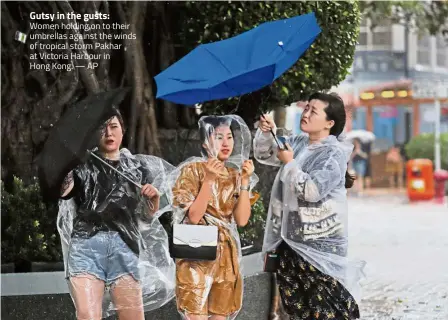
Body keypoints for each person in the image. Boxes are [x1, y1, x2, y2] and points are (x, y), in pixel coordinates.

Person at [254, 92, 365, 320]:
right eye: (306, 109)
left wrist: (290, 163)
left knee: (326, 310)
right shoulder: (298, 143)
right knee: (297, 310)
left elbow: (311, 191)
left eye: (313, 111)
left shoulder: (333, 154)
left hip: (320, 248)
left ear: (329, 123)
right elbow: (265, 154)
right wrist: (268, 133)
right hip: (290, 242)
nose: (306, 114)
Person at [58, 110, 176, 320]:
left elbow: (144, 219)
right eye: (102, 128)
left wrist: (154, 200)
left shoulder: (138, 169)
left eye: (113, 126)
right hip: (86, 247)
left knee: (132, 316)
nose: (108, 133)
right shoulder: (82, 166)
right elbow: (63, 191)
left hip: (124, 247)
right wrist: (68, 162)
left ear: (123, 130)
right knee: (87, 314)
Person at [168, 115, 259, 320]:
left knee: (220, 316)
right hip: (196, 252)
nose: (226, 143)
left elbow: (242, 220)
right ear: (205, 142)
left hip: (226, 255)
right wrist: (209, 179)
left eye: (229, 137)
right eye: (219, 137)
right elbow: (193, 216)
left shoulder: (234, 175)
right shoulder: (192, 170)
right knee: (196, 315)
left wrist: (244, 181)